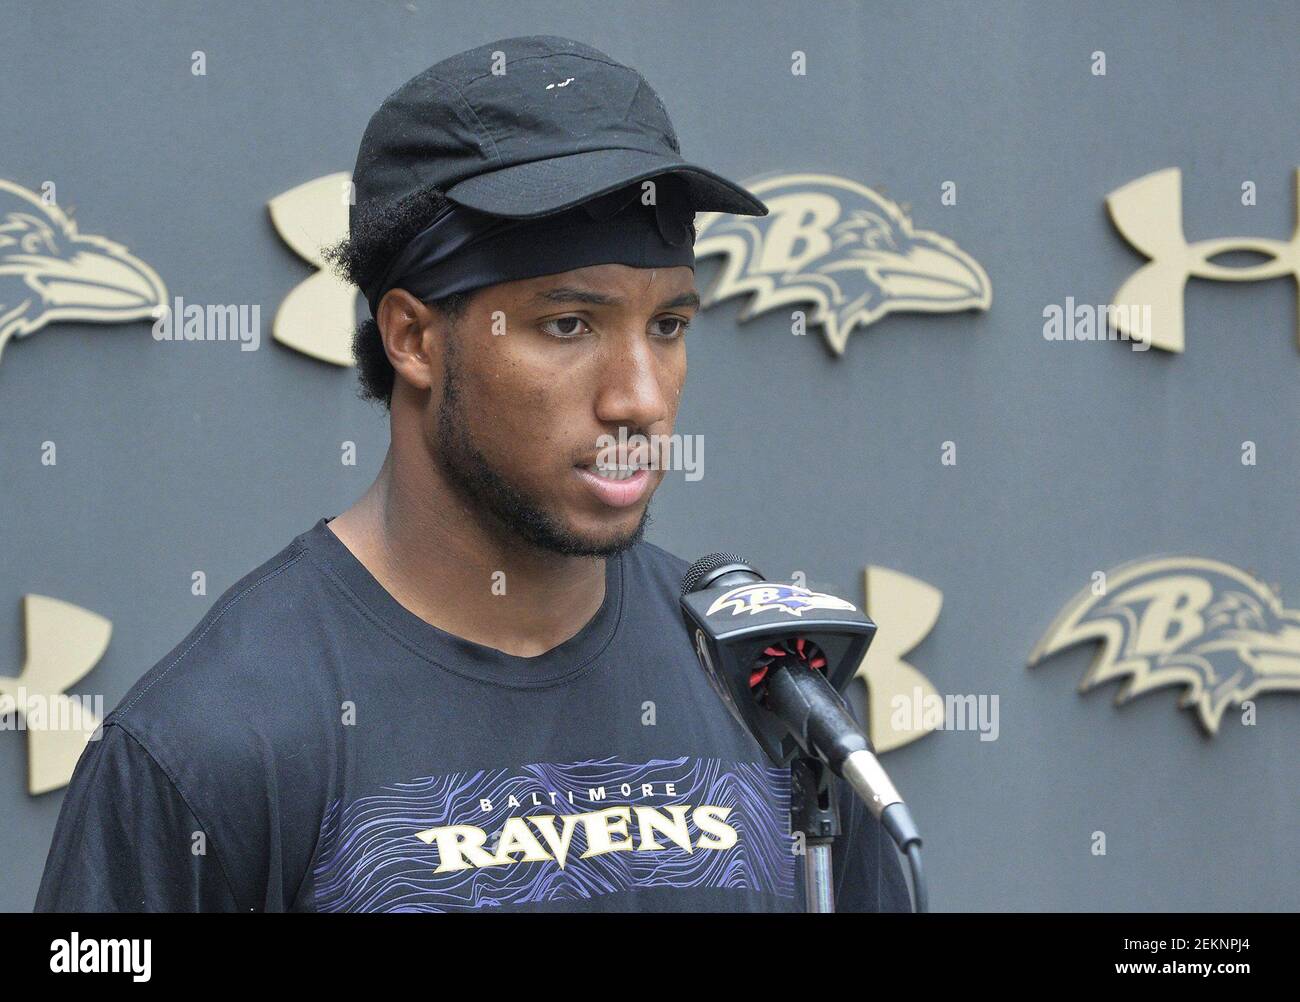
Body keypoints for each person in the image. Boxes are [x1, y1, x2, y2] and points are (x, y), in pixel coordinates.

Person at [35, 35, 910, 912]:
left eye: (670, 326)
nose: (639, 398)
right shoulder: (211, 744)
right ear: (414, 337)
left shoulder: (768, 689)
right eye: (569, 325)